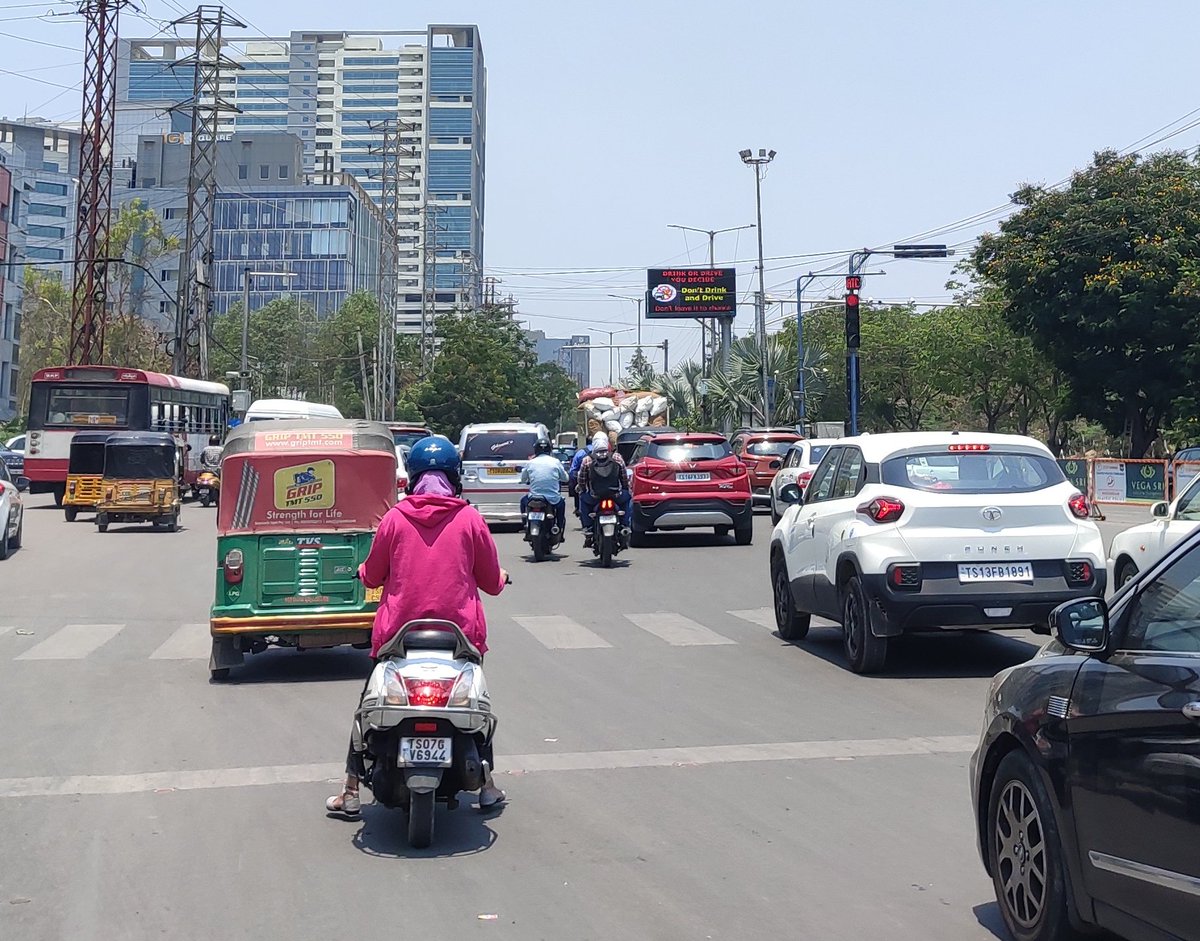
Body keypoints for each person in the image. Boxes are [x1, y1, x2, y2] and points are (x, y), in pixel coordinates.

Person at [326, 436, 510, 816]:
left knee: (367, 709)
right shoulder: (470, 519)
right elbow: (491, 582)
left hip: (399, 636)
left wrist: (363, 572)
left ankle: (350, 789)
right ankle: (488, 786)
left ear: (412, 477)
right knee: (476, 708)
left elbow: (373, 575)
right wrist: (502, 576)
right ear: (454, 477)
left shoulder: (394, 518)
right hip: (458, 635)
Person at [577, 432, 632, 546]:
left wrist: (582, 489)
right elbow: (624, 478)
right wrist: (625, 489)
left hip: (594, 497)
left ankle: (587, 528)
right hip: (615, 496)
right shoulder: (617, 457)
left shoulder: (587, 460)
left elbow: (581, 481)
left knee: (582, 498)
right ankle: (625, 525)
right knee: (628, 498)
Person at [520, 438, 569, 537]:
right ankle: (558, 528)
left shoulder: (530, 463)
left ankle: (525, 523)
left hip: (533, 498)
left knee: (522, 501)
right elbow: (565, 478)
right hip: (553, 498)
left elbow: (523, 479)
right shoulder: (555, 462)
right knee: (561, 505)